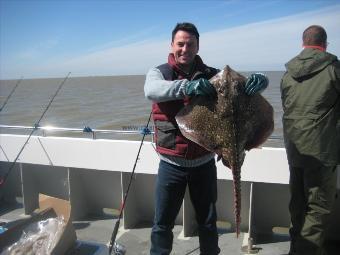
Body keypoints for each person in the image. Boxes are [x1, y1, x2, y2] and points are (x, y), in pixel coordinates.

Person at [144, 22, 268, 255]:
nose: (185, 49)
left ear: (198, 47)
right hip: (171, 165)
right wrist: (188, 87)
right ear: (172, 45)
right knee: (162, 222)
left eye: (190, 44)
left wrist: (261, 80)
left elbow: (241, 92)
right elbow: (151, 90)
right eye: (180, 44)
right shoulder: (160, 72)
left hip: (204, 164)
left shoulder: (214, 76)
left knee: (208, 222)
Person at [280, 25, 340, 255]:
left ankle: (297, 248)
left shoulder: (288, 73)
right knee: (317, 208)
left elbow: (288, 107)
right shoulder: (334, 68)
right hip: (322, 151)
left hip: (295, 149)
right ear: (325, 44)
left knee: (298, 204)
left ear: (303, 43)